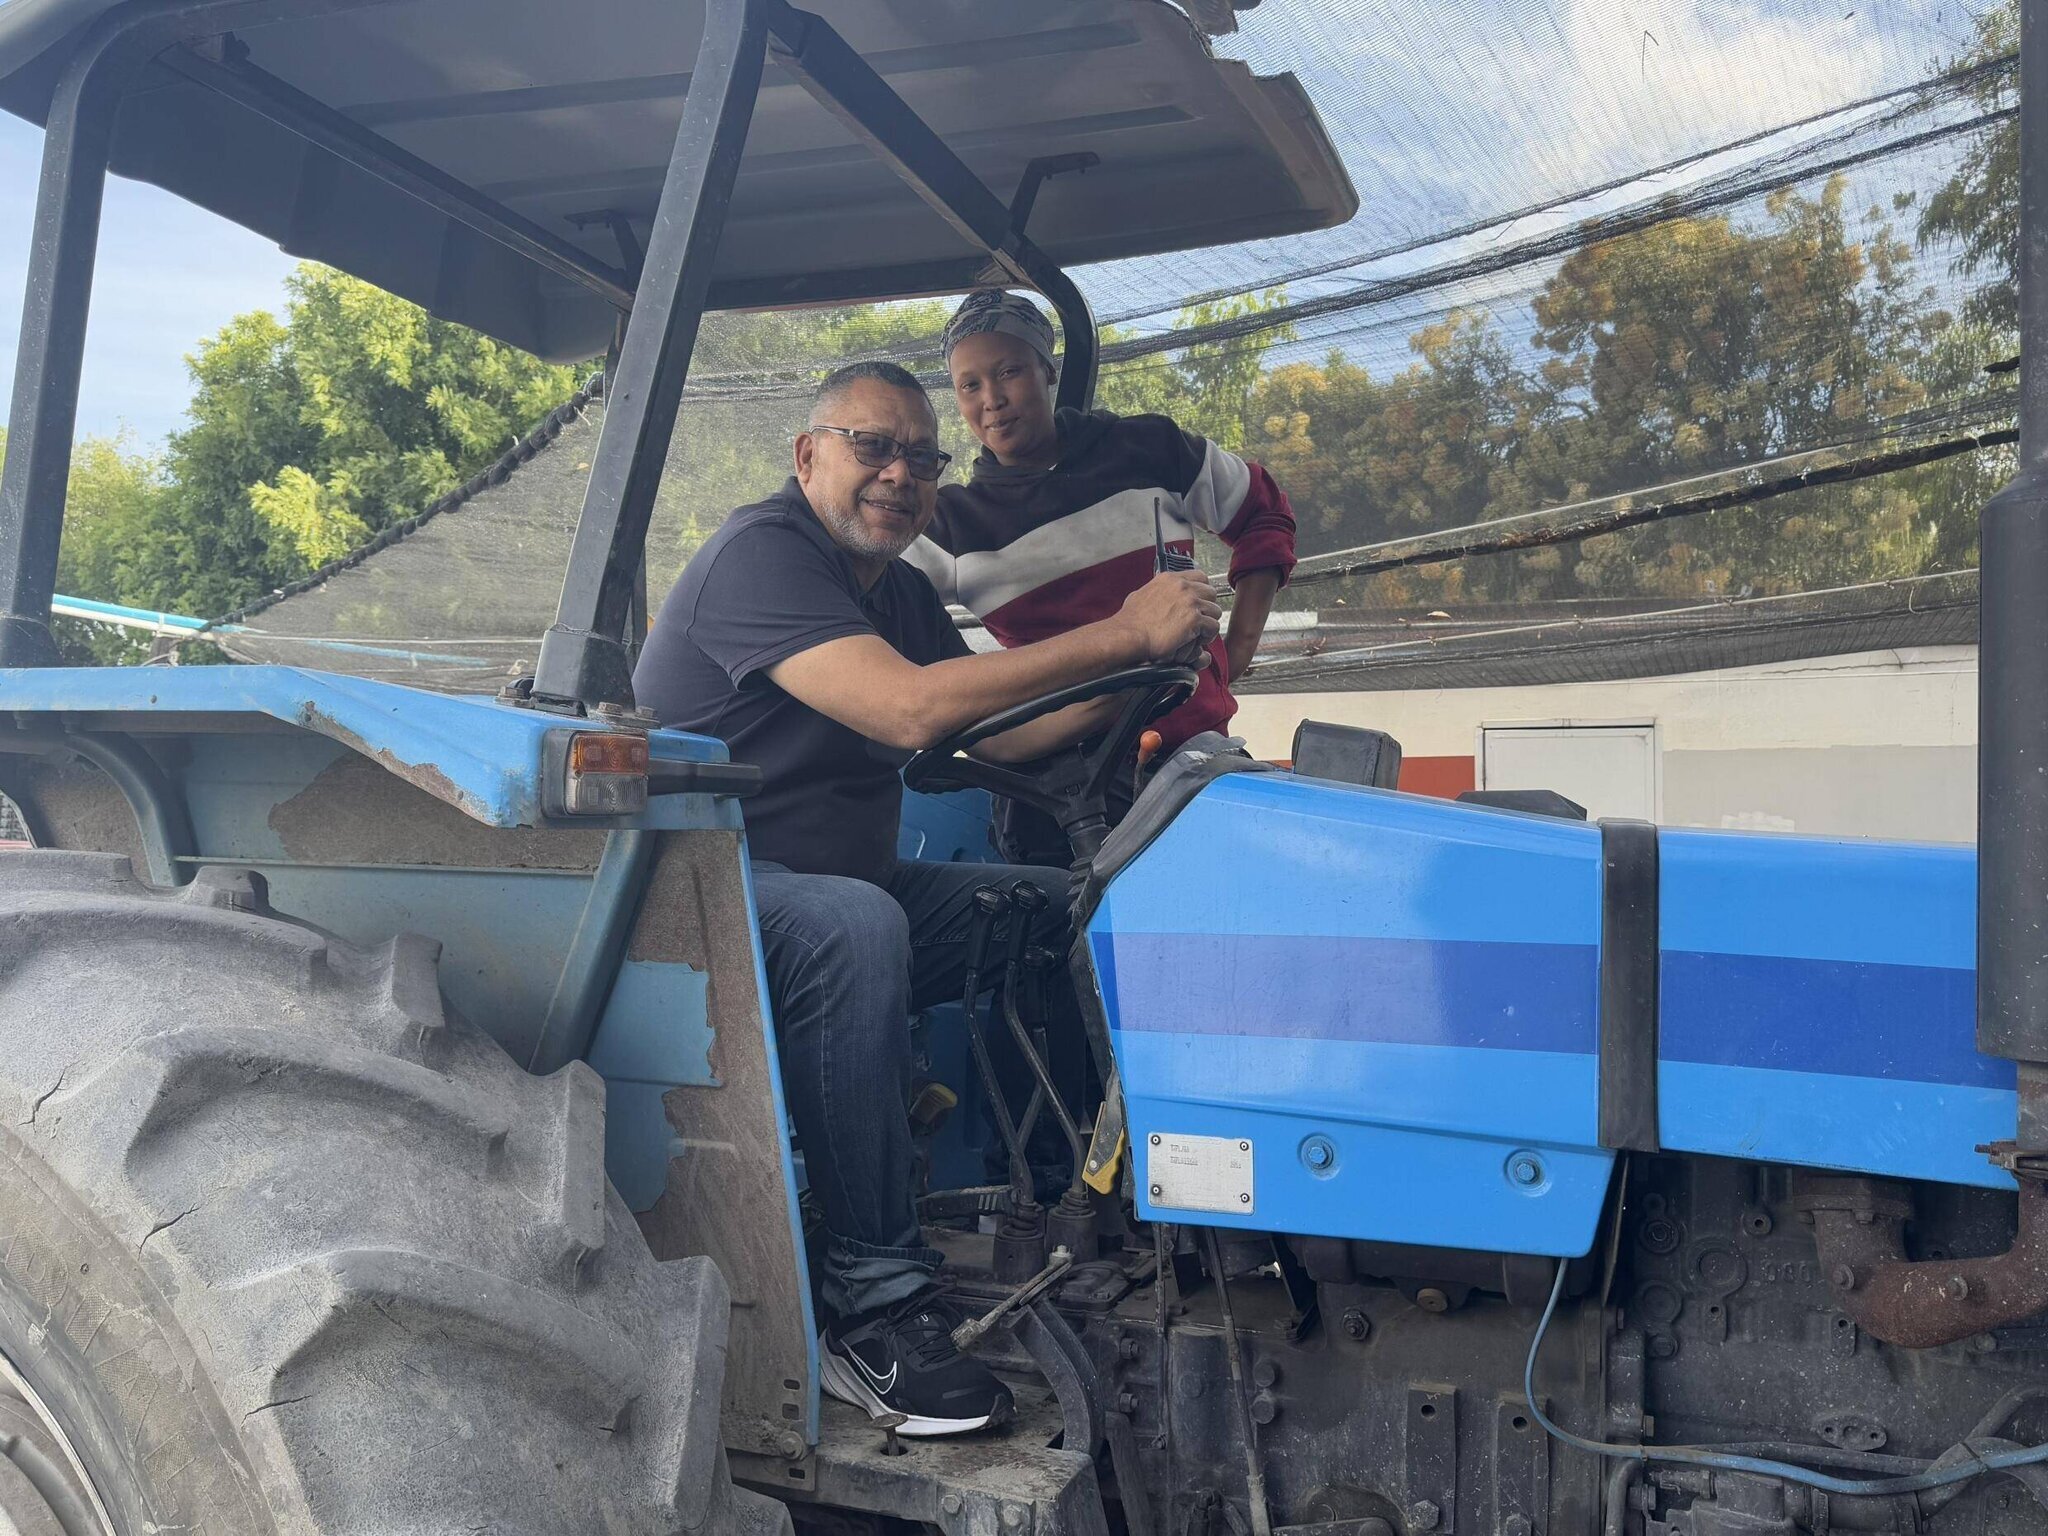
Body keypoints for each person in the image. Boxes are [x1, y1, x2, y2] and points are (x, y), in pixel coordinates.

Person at [631, 360, 1219, 1437]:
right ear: (808, 455)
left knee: (1063, 910)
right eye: (873, 445)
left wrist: (1130, 692)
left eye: (920, 456)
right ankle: (872, 1310)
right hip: (696, 905)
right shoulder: (760, 555)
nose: (900, 474)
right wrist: (1125, 632)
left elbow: (984, 731)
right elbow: (909, 711)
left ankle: (1080, 1213)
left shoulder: (894, 588)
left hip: (843, 885)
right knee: (857, 925)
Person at [909, 289, 1299, 861]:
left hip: (1189, 752)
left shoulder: (1150, 449)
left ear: (1047, 369)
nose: (991, 400)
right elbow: (879, 604)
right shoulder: (950, 524)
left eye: (1009, 372)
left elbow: (1264, 511)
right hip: (1054, 784)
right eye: (970, 385)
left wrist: (1236, 649)